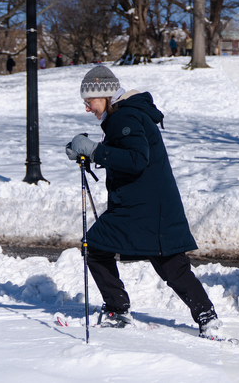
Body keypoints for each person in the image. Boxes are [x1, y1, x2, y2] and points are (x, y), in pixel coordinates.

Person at [65, 66, 221, 338]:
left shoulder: (124, 116)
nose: (87, 108)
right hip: (148, 204)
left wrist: (95, 151)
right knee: (169, 263)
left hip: (142, 206)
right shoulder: (126, 114)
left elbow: (136, 159)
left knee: (97, 247)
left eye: (89, 101)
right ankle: (206, 316)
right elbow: (128, 155)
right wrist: (92, 153)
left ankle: (117, 310)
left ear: (104, 96)